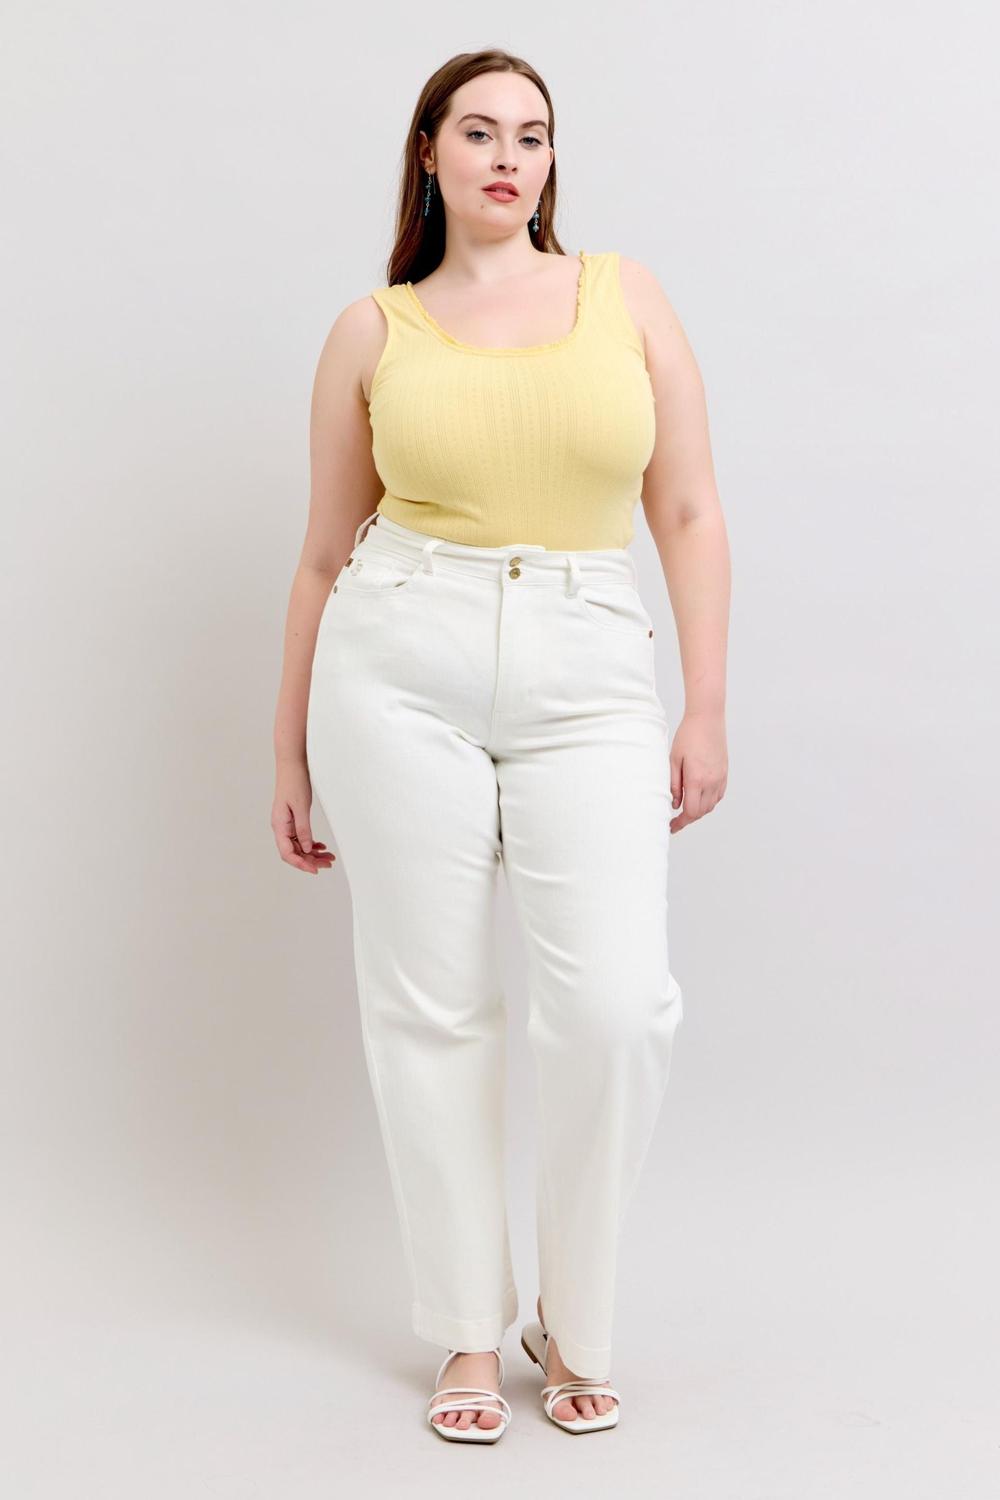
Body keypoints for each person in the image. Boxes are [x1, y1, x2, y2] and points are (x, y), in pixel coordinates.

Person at [271, 49, 730, 1443]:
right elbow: (321, 554)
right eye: (479, 132)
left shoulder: (624, 297)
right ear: (430, 152)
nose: (507, 158)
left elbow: (688, 511)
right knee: (432, 1005)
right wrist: (287, 754)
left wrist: (705, 704)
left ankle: (573, 1319)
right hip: (396, 658)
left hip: (588, 663)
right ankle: (468, 1331)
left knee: (617, 1007)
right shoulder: (373, 330)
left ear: (550, 161)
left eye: (532, 135)